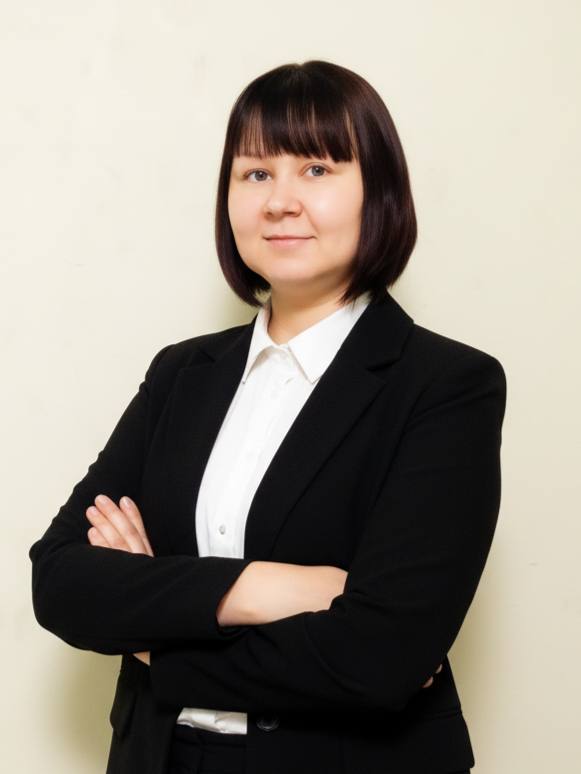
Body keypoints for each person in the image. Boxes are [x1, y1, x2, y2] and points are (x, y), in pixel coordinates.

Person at [28, 59, 506, 774]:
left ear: (379, 192)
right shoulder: (182, 373)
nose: (280, 201)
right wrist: (260, 587)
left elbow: (380, 659)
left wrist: (154, 638)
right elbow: (60, 580)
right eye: (255, 173)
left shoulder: (446, 385)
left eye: (316, 169)